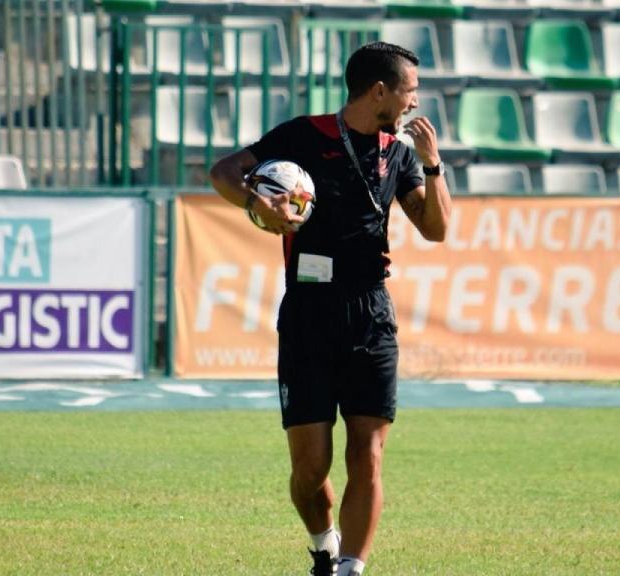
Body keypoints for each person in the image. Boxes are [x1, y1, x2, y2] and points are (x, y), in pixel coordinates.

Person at [209, 41, 451, 576]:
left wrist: (434, 168)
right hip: (308, 313)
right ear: (379, 90)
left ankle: (349, 569)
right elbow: (224, 171)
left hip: (371, 313)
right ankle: (323, 543)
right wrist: (256, 201)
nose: (414, 102)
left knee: (368, 454)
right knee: (310, 466)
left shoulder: (401, 153)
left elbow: (436, 229)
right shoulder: (301, 136)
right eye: (409, 91)